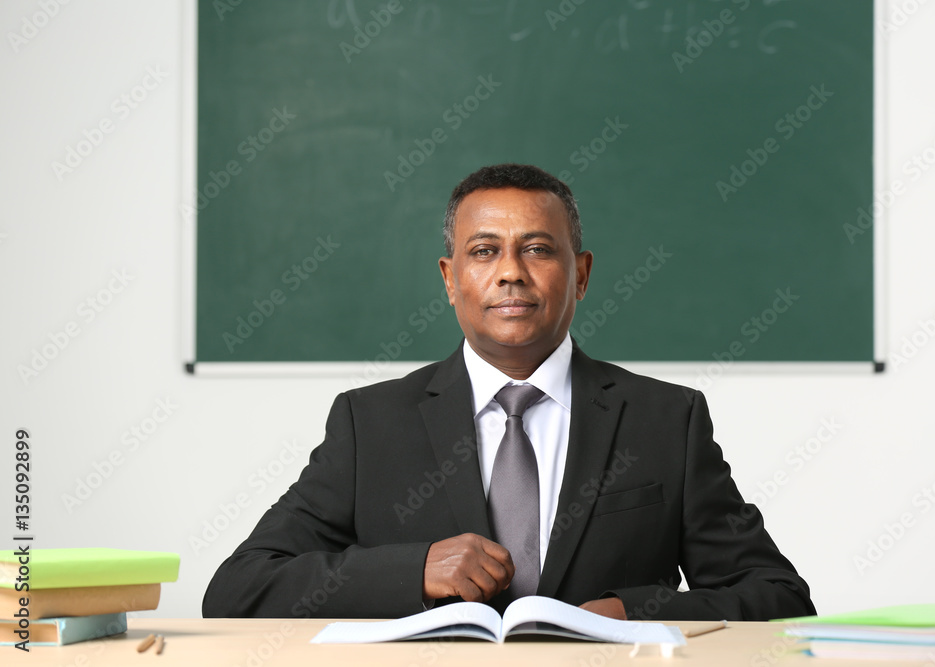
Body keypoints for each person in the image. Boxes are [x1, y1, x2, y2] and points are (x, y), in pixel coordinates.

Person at [203, 164, 815, 621]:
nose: (511, 272)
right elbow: (239, 589)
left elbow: (778, 597)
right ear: (450, 279)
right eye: (484, 251)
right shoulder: (371, 423)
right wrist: (414, 570)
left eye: (539, 249)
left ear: (581, 273)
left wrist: (629, 614)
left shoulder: (666, 419)